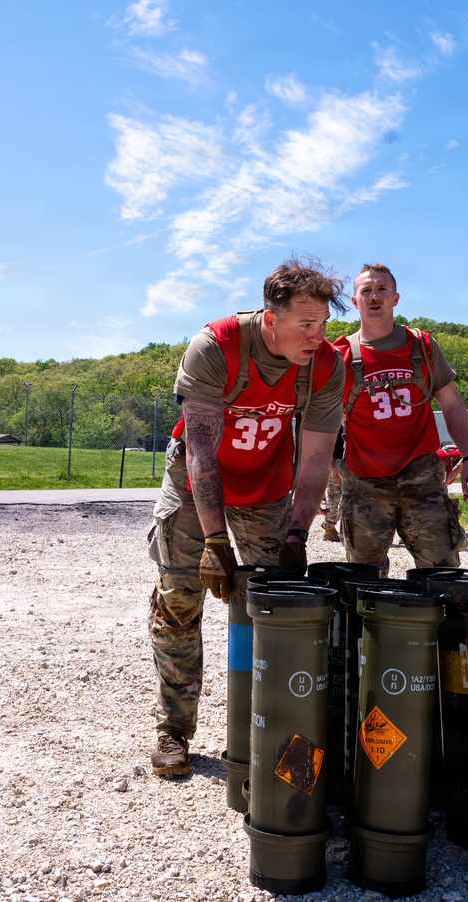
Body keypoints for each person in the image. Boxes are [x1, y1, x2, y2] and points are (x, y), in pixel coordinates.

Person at [146, 258, 346, 775]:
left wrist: (299, 532)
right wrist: (215, 542)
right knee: (178, 602)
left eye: (323, 323)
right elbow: (201, 452)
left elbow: (317, 458)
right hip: (196, 486)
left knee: (276, 605)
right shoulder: (216, 347)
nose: (316, 336)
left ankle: (272, 725)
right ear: (271, 318)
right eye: (306, 324)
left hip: (266, 489)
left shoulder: (325, 365)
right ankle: (174, 729)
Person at [333, 263, 468, 577]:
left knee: (442, 573)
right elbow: (322, 420)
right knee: (363, 579)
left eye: (382, 290)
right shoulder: (341, 356)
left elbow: (453, 405)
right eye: (366, 291)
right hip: (364, 481)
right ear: (354, 301)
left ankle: (444, 627)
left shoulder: (423, 347)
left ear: (395, 298)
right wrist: (327, 468)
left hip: (422, 478)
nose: (375, 297)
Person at [322, 427, 344, 542]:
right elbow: (328, 448)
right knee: (334, 498)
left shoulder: (338, 425)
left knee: (341, 498)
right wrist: (332, 468)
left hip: (340, 463)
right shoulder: (333, 426)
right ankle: (329, 528)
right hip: (335, 464)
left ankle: (331, 526)